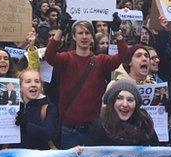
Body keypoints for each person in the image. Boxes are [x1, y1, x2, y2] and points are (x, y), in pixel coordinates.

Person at [45, 16, 128, 149]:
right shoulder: (66, 58)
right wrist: (60, 30)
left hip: (94, 129)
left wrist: (117, 32)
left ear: (92, 37)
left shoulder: (101, 61)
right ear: (74, 37)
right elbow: (49, 56)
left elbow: (124, 56)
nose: (84, 37)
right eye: (80, 33)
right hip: (69, 130)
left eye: (87, 33)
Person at [85, 80, 158, 146]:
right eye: (119, 98)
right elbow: (88, 155)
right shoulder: (98, 128)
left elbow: (158, 154)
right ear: (111, 102)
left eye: (130, 100)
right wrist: (79, 153)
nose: (125, 104)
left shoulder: (145, 126)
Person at [13, 69, 58, 150]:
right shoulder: (11, 106)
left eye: (37, 81)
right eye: (28, 81)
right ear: (20, 87)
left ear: (41, 86)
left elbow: (48, 134)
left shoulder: (49, 107)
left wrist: (26, 125)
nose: (33, 84)